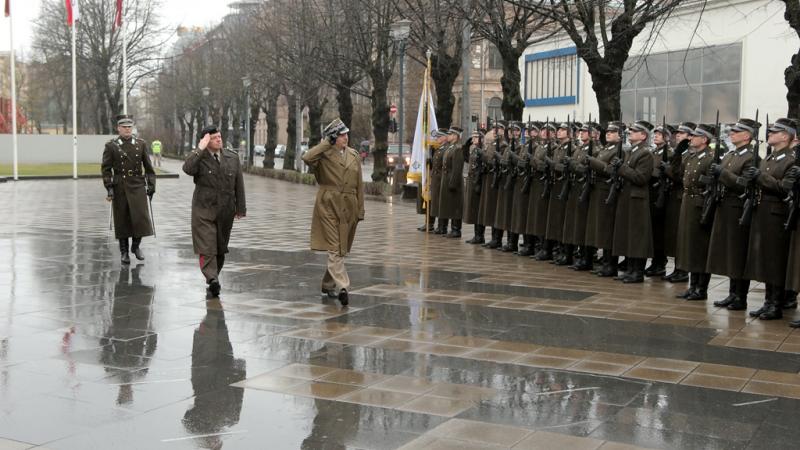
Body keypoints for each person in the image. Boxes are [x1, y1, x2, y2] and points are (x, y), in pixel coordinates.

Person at [302, 119, 365, 306]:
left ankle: (327, 284)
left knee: (341, 248)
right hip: (328, 204)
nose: (346, 137)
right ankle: (343, 286)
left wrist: (360, 209)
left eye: (346, 134)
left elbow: (359, 185)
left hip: (349, 206)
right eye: (341, 135)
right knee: (335, 247)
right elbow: (306, 158)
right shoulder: (323, 154)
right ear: (333, 138)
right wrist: (325, 143)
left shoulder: (353, 155)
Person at [183, 126, 247, 297]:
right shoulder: (199, 157)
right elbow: (187, 168)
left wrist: (241, 208)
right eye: (214, 138)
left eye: (220, 136)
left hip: (225, 211)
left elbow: (238, 184)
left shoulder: (231, 158)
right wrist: (200, 148)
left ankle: (213, 278)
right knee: (207, 246)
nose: (219, 139)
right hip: (203, 210)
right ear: (205, 140)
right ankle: (212, 279)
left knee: (220, 248)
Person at [743, 118, 797, 320]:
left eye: (774, 132)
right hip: (763, 213)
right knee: (766, 259)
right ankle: (768, 302)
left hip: (777, 214)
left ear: (785, 135)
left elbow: (785, 188)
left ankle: (776, 304)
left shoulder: (791, 159)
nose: (770, 134)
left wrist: (760, 177)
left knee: (775, 260)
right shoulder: (770, 158)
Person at [706, 118, 759, 311]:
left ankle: (740, 296)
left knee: (737, 252)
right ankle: (732, 293)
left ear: (747, 135)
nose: (731, 134)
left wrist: (723, 173)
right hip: (724, 207)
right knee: (728, 252)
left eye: (736, 132)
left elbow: (743, 184)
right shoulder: (730, 155)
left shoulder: (750, 158)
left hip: (737, 208)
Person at [102, 114, 156, 265]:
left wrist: (151, 185)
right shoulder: (111, 146)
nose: (127, 129)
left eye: (129, 127)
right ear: (118, 128)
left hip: (138, 184)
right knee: (122, 220)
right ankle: (124, 252)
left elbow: (149, 168)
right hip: (120, 185)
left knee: (140, 218)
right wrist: (109, 187)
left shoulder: (141, 144)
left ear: (132, 128)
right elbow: (106, 169)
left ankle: (136, 246)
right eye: (124, 127)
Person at [610, 120, 655, 283]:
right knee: (629, 234)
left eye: (634, 131)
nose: (630, 133)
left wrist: (622, 168)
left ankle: (637, 272)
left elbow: (641, 178)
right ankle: (630, 269)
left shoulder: (645, 154)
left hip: (637, 199)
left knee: (638, 236)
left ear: (643, 136)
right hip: (628, 197)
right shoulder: (631, 152)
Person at [675, 123, 716, 300]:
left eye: (695, 136)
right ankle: (693, 286)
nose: (690, 138)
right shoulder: (692, 157)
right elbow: (679, 174)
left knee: (699, 246)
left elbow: (710, 185)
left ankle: (701, 288)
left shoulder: (710, 158)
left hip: (700, 204)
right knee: (689, 245)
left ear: (704, 139)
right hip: (688, 203)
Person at [586, 121, 623, 276]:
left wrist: (594, 162)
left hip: (608, 191)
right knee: (599, 228)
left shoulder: (619, 151)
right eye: (607, 131)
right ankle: (604, 262)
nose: (608, 133)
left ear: (620, 135)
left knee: (607, 229)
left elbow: (611, 171)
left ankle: (610, 264)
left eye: (613, 132)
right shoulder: (606, 149)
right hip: (599, 190)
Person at [662, 122, 696, 283]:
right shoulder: (682, 152)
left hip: (682, 196)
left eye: (682, 133)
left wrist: (667, 168)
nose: (678, 135)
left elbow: (678, 175)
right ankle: (677, 268)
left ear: (690, 136)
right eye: (677, 133)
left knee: (681, 235)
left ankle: (682, 270)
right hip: (674, 196)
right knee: (675, 235)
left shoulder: (689, 154)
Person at [439, 127, 466, 238]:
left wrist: (453, 182)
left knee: (455, 206)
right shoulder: (451, 148)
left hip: (454, 180)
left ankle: (456, 229)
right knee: (450, 205)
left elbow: (457, 168)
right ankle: (452, 229)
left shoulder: (458, 149)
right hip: (447, 179)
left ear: (456, 136)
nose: (448, 136)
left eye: (450, 134)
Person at [463, 130, 485, 244]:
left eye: (476, 137)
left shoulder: (482, 151)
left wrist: (478, 182)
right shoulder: (474, 149)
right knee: (473, 209)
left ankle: (480, 235)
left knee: (478, 209)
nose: (473, 139)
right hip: (472, 181)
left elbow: (481, 169)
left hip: (478, 182)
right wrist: (467, 145)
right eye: (472, 137)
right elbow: (466, 159)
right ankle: (476, 235)